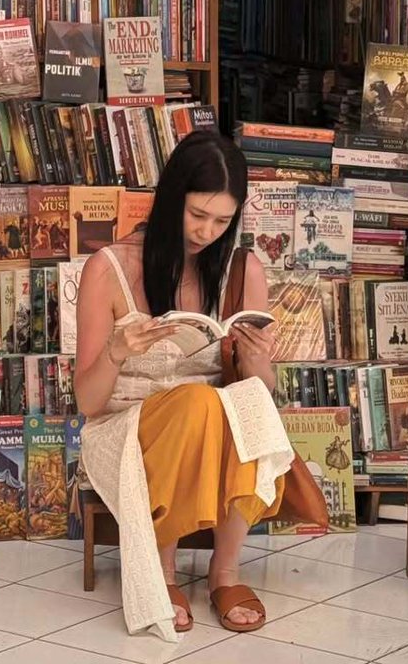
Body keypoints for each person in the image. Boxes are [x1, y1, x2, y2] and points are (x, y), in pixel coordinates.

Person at [75, 130, 294, 642]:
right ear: (172, 198)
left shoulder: (242, 269)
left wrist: (260, 362)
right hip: (124, 432)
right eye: (197, 215)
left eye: (222, 221)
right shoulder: (108, 269)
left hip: (209, 430)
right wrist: (117, 351)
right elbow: (88, 403)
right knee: (200, 402)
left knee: (241, 401)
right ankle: (165, 573)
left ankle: (225, 572)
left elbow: (263, 393)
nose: (207, 232)